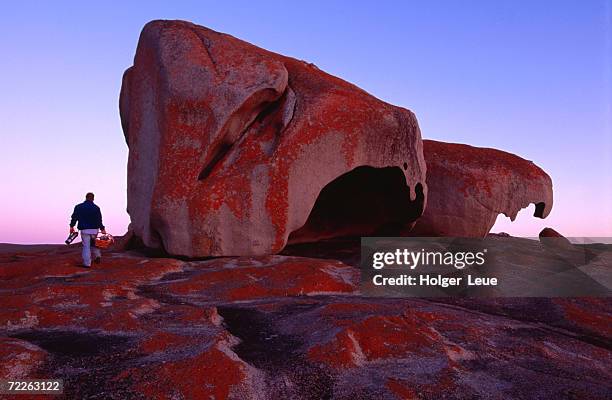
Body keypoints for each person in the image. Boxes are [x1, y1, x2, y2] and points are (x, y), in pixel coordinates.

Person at [69, 192, 106, 267]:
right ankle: (97, 255)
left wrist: (72, 226)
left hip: (84, 229)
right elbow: (99, 219)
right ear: (93, 198)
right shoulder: (96, 208)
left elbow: (74, 218)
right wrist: (102, 229)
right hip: (94, 229)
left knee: (86, 246)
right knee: (94, 243)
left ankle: (87, 263)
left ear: (86, 197)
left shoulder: (78, 207)